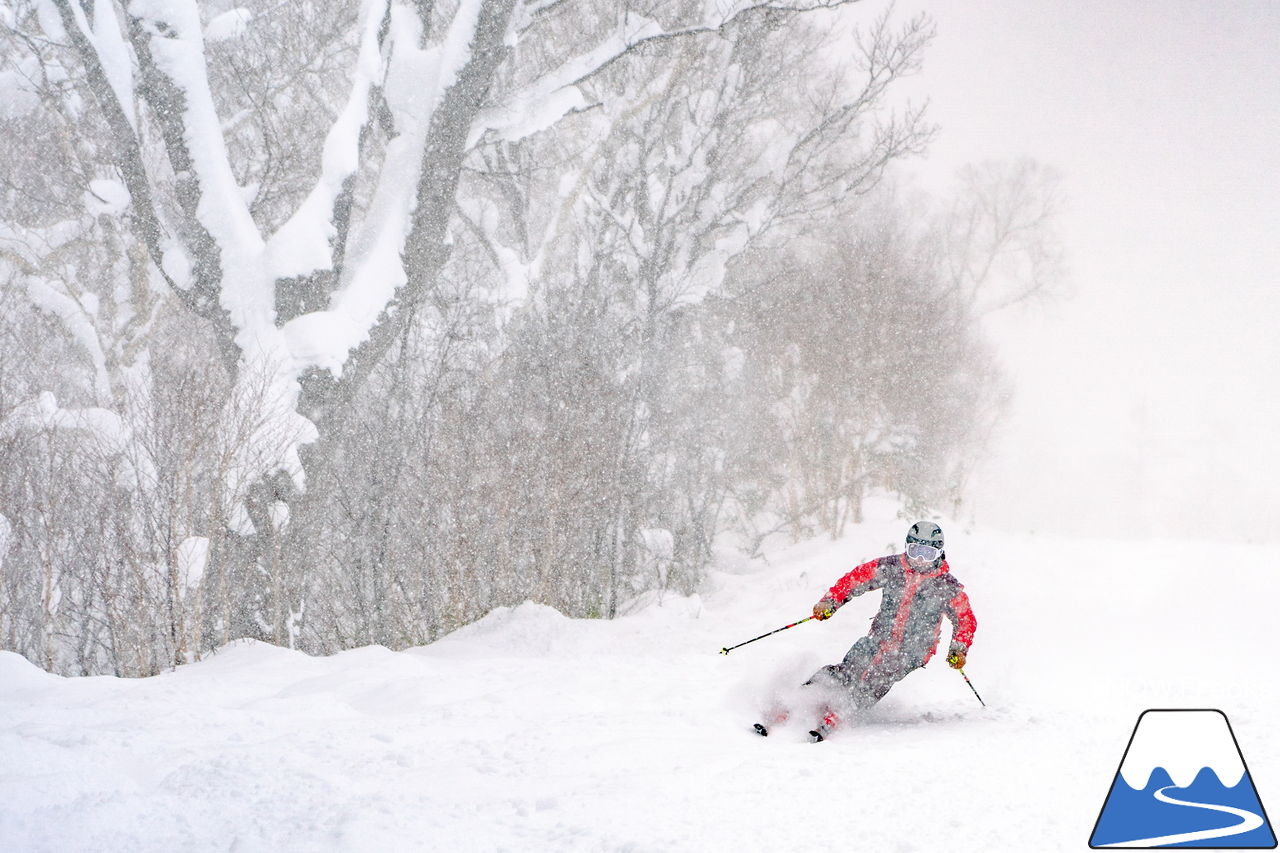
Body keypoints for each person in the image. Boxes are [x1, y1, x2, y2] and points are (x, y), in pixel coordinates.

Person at [806, 521, 976, 726]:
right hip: (880, 636)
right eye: (915, 552)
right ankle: (804, 697)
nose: (920, 559)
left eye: (928, 554)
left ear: (939, 553)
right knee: (852, 664)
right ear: (906, 548)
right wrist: (831, 601)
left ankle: (844, 711)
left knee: (881, 673)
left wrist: (958, 649)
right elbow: (855, 579)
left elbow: (965, 620)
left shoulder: (946, 586)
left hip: (915, 648)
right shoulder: (891, 567)